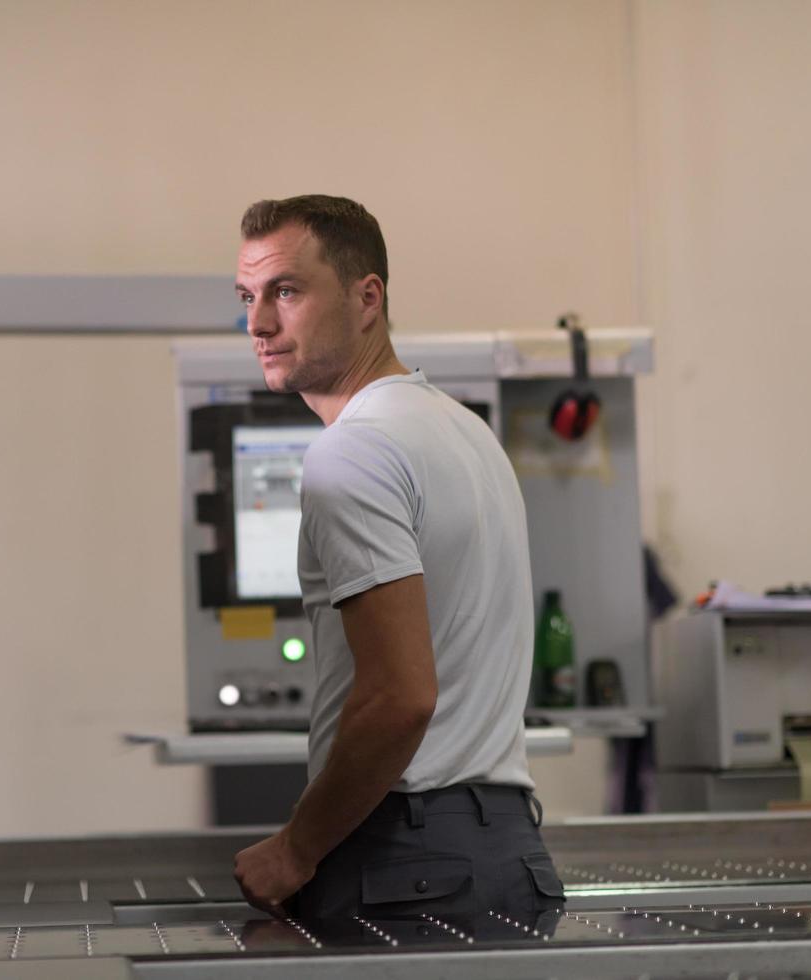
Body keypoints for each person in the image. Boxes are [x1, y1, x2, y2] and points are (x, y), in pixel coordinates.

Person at [230, 195, 564, 932]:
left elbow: (400, 698)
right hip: (508, 853)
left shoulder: (353, 450)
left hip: (405, 863)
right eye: (247, 298)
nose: (257, 324)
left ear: (366, 298)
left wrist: (295, 849)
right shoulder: (464, 433)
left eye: (285, 291)